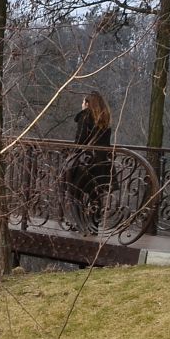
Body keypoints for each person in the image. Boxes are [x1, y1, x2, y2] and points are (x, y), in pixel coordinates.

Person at [66, 91, 115, 233]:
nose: (81, 105)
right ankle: (94, 226)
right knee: (95, 195)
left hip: (85, 162)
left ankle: (77, 223)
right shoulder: (105, 119)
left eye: (83, 102)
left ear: (87, 104)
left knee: (75, 193)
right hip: (101, 162)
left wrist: (72, 155)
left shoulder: (85, 116)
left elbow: (80, 140)